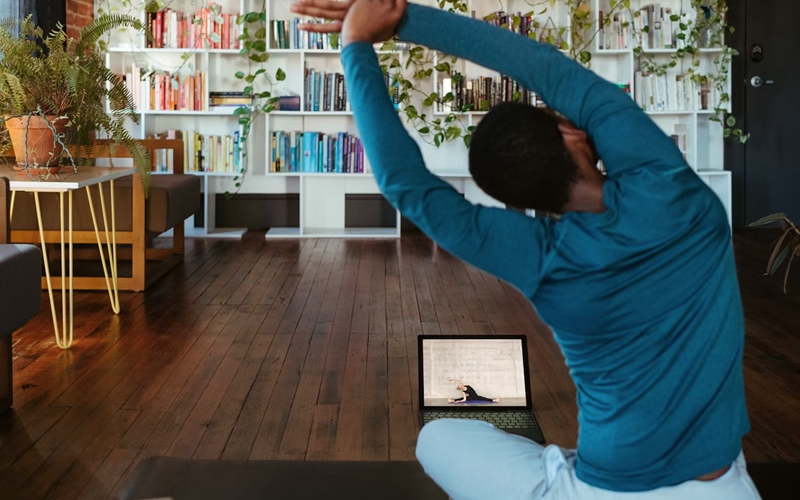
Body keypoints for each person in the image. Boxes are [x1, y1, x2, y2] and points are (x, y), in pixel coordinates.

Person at [289, 0, 761, 499]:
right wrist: (392, 18)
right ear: (569, 131)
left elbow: (404, 184)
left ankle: (561, 469)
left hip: (604, 490)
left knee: (440, 436)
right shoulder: (675, 191)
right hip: (723, 488)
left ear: (514, 203)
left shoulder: (544, 260)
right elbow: (546, 69)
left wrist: (354, 46)